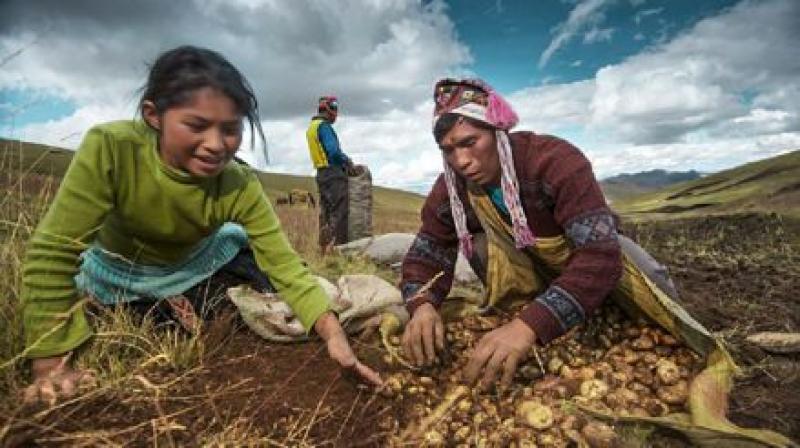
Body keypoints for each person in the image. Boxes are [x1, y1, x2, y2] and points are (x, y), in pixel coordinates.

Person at [20, 46, 382, 404]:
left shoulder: (239, 182)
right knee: (149, 326)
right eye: (195, 125)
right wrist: (50, 363)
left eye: (230, 130)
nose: (215, 145)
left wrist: (333, 334)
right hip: (118, 274)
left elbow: (286, 267)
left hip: (201, 264)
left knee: (240, 311)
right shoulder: (111, 148)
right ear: (153, 115)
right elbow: (53, 251)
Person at [400, 78, 680, 391]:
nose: (461, 161)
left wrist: (528, 326)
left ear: (497, 130)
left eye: (469, 142)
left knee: (645, 275)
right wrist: (422, 304)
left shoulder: (554, 161)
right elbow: (429, 249)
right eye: (448, 150)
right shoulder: (452, 188)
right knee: (478, 247)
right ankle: (535, 306)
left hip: (585, 260)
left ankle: (580, 311)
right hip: (531, 267)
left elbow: (599, 257)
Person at [306, 96, 359, 250]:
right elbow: (333, 151)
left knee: (326, 212)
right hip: (333, 173)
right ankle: (339, 249)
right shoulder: (324, 126)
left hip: (321, 174)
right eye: (334, 107)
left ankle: (324, 247)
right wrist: (347, 161)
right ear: (329, 109)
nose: (336, 112)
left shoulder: (311, 128)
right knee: (340, 211)